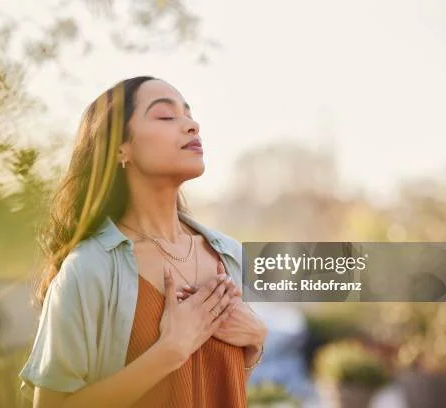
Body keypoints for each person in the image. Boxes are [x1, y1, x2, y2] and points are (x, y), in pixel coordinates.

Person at [18, 76, 268, 407]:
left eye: (189, 114)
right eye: (166, 116)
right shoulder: (89, 268)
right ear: (121, 148)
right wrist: (169, 351)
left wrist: (255, 343)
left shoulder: (230, 255)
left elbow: (217, 387)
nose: (192, 125)